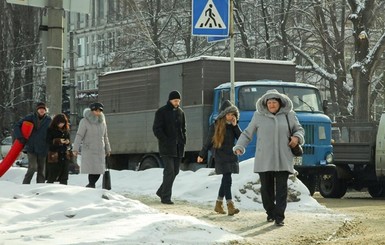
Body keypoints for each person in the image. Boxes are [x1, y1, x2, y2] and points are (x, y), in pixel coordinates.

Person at [233, 89, 304, 226]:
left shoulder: (289, 115)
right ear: (265, 104)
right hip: (264, 158)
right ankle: (270, 212)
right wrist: (240, 146)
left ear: (280, 103)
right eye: (269, 102)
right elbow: (248, 133)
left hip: (283, 157)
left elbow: (299, 129)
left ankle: (279, 217)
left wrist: (296, 137)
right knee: (266, 189)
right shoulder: (258, 116)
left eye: (274, 102)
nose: (271, 105)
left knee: (282, 189)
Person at [197, 100, 242, 215]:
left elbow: (241, 138)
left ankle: (218, 203)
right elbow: (208, 141)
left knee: (226, 180)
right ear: (223, 115)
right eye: (228, 114)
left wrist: (235, 126)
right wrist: (201, 154)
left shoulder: (233, 126)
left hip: (231, 155)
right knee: (228, 179)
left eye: (232, 114)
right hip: (220, 155)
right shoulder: (215, 126)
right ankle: (230, 205)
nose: (230, 116)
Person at [153, 90, 186, 204]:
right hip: (166, 147)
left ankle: (161, 191)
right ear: (170, 100)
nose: (177, 103)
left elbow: (183, 129)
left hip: (178, 147)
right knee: (169, 171)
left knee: (175, 171)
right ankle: (165, 197)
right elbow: (157, 129)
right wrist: (165, 140)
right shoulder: (161, 112)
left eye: (178, 101)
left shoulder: (181, 112)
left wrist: (183, 140)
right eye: (175, 101)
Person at [72, 102, 111, 188]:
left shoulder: (102, 122)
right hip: (89, 149)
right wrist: (75, 148)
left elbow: (105, 136)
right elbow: (79, 135)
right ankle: (91, 184)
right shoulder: (85, 121)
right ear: (91, 110)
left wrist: (108, 149)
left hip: (100, 149)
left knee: (99, 170)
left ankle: (91, 185)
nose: (97, 112)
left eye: (99, 111)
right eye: (96, 110)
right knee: (92, 169)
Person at [14, 102, 52, 184]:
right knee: (32, 167)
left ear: (45, 110)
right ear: (37, 110)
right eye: (40, 109)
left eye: (43, 109)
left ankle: (39, 186)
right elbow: (17, 125)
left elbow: (52, 132)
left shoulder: (49, 120)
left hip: (43, 147)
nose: (42, 110)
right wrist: (20, 137)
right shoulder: (30, 117)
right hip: (31, 147)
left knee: (41, 169)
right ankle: (25, 184)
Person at [46, 114, 71, 185]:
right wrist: (58, 141)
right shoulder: (50, 130)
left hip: (64, 154)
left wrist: (67, 142)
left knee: (64, 176)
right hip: (54, 155)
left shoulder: (66, 130)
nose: (61, 124)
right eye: (60, 123)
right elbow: (48, 141)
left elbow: (69, 141)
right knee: (52, 175)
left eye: (63, 123)